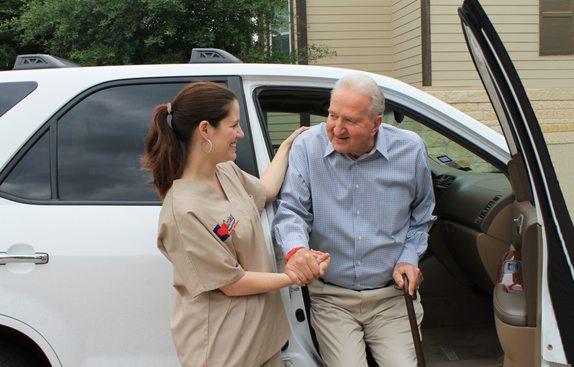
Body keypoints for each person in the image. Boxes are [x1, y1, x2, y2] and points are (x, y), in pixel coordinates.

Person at [142, 81, 329, 367]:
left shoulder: (226, 172)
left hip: (261, 337)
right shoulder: (183, 211)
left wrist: (289, 146)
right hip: (224, 347)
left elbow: (265, 191)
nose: (240, 134)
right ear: (205, 130)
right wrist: (296, 275)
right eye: (234, 125)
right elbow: (232, 283)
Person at [272, 74, 436, 366]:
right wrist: (298, 252)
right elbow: (292, 211)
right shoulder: (307, 148)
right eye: (332, 115)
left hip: (391, 297)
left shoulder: (410, 150)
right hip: (331, 298)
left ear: (376, 123)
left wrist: (409, 257)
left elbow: (422, 215)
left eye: (350, 120)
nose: (337, 128)